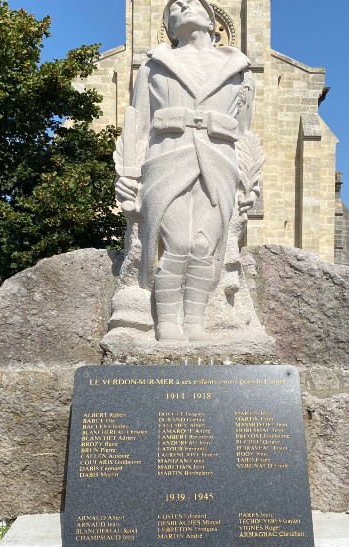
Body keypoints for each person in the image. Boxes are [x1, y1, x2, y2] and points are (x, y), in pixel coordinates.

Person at [115, 0, 257, 341]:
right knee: (176, 242)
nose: (183, 5)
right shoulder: (156, 64)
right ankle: (166, 323)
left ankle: (196, 323)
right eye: (176, 6)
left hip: (219, 161)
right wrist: (129, 175)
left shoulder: (240, 69)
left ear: (212, 21)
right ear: (168, 25)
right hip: (168, 156)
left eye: (192, 3)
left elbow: (243, 130)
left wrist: (247, 183)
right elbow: (138, 122)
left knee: (204, 246)